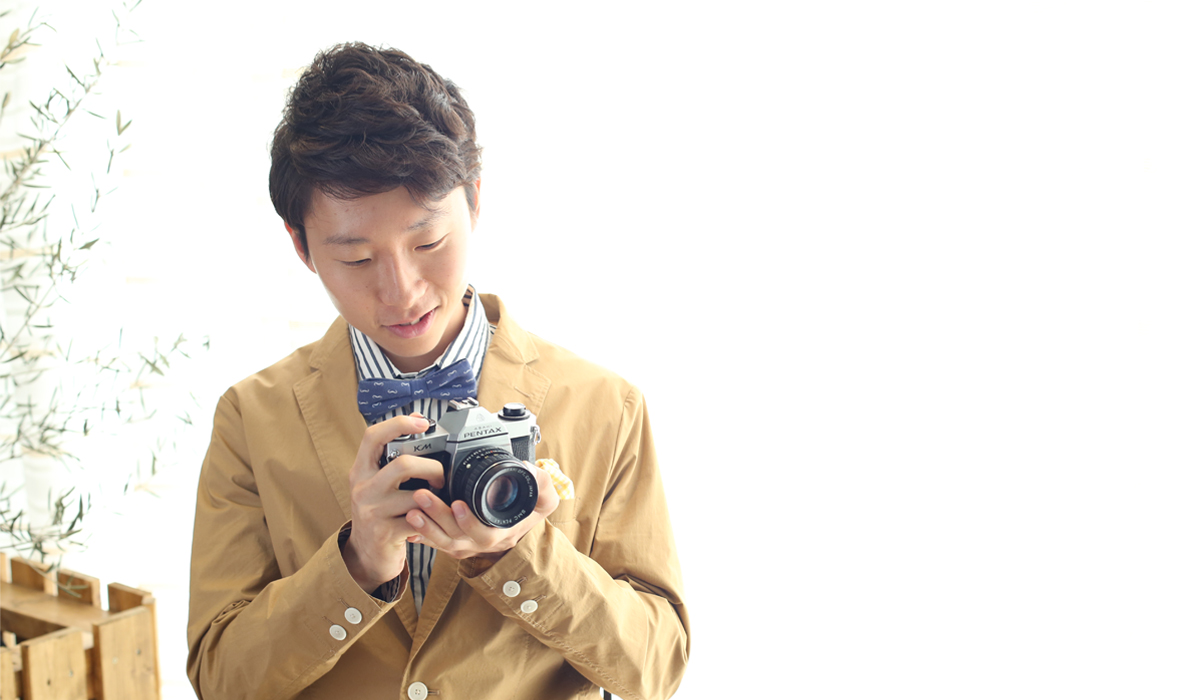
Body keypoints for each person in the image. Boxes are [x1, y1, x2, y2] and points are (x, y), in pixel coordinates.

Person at [186, 43, 689, 700]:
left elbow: (655, 669)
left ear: (474, 202)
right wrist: (357, 563)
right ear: (300, 245)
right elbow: (221, 677)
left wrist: (515, 553)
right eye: (357, 259)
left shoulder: (605, 407)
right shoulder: (252, 419)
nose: (401, 291)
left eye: (428, 242)